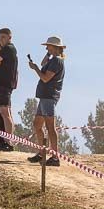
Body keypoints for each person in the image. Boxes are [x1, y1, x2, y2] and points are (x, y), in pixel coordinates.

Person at [26, 36, 66, 168]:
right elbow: (44, 63)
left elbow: (45, 78)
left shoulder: (56, 61)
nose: (46, 48)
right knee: (37, 125)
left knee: (50, 127)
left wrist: (35, 68)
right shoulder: (53, 60)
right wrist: (48, 54)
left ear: (54, 47)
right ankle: (42, 152)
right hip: (45, 97)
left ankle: (55, 157)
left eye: (48, 46)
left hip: (49, 96)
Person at [0, 27, 18, 151]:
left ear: (9, 37)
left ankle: (8, 142)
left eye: (3, 37)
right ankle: (4, 141)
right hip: (1, 85)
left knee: (5, 113)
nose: (1, 40)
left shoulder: (8, 49)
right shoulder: (8, 50)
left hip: (4, 86)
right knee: (4, 114)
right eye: (0, 37)